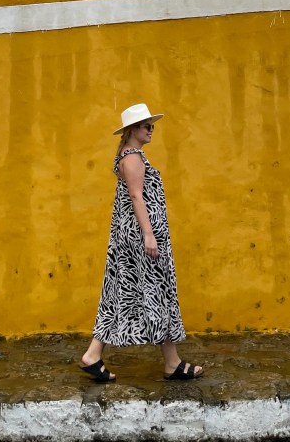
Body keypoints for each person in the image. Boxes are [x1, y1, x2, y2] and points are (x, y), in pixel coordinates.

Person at [79, 103, 203, 382]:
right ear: (133, 130)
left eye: (152, 125)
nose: (151, 130)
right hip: (141, 239)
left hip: (133, 237)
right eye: (146, 126)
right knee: (157, 291)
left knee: (120, 293)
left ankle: (93, 354)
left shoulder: (129, 156)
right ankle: (172, 363)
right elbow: (137, 197)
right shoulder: (133, 158)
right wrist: (149, 234)